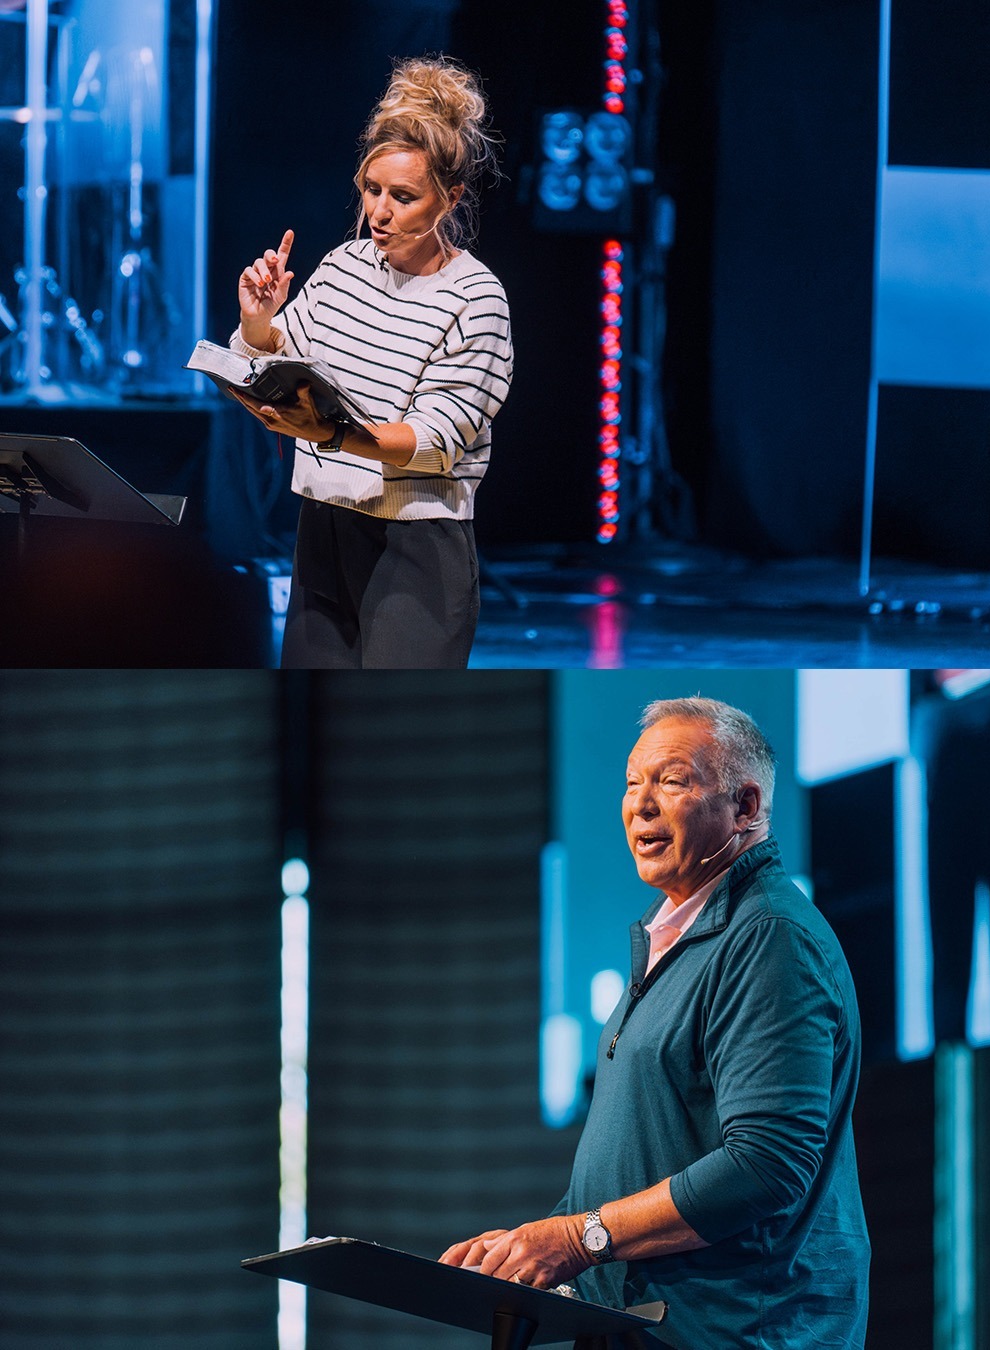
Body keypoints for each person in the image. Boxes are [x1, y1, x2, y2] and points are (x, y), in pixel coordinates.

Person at [441, 696, 871, 1348]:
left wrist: (579, 1238)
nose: (641, 803)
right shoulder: (676, 938)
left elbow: (768, 1164)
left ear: (746, 808)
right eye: (632, 783)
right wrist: (530, 1255)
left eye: (670, 781)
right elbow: (640, 1168)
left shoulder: (770, 939)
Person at [228, 56, 512, 668]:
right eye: (372, 189)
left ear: (450, 198)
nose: (379, 212)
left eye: (403, 197)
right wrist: (258, 320)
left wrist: (329, 433)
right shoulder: (343, 265)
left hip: (415, 544)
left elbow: (437, 439)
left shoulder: (475, 296)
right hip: (323, 526)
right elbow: (277, 359)